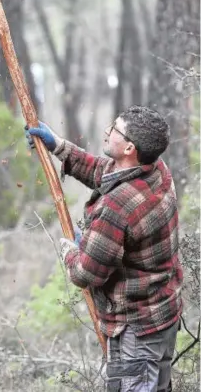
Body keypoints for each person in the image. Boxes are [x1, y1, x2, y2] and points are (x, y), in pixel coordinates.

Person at [25, 106, 183, 392]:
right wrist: (59, 147)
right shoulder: (155, 170)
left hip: (136, 331)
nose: (107, 131)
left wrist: (71, 250)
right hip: (161, 317)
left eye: (114, 129)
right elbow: (105, 173)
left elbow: (86, 273)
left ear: (129, 147)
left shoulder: (117, 208)